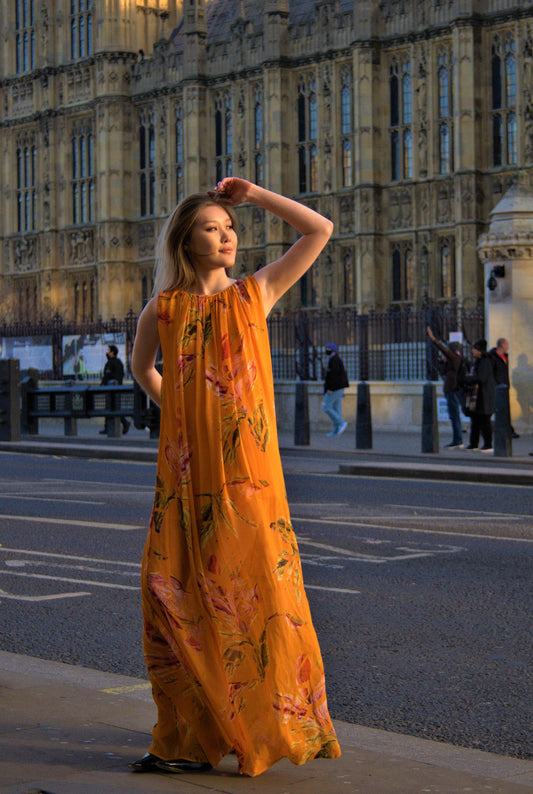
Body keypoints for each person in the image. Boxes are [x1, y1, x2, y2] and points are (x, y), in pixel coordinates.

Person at [130, 177, 341, 777]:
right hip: (184, 473)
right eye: (212, 228)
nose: (227, 237)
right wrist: (181, 412)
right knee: (169, 594)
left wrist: (255, 196)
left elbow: (319, 230)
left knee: (252, 597)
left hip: (247, 478)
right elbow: (144, 369)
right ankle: (188, 737)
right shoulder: (164, 309)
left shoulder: (256, 293)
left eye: (231, 228)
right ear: (185, 241)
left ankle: (263, 727)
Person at [426, 326, 466, 448]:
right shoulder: (452, 360)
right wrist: (442, 361)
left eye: (448, 348)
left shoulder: (455, 358)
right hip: (449, 388)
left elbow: (444, 350)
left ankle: (458, 440)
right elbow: (443, 371)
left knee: (454, 415)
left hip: (452, 389)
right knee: (453, 415)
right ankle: (457, 439)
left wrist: (434, 339)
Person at [464, 338, 495, 452]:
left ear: (479, 350)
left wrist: (468, 379)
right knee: (475, 420)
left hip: (484, 395)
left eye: (474, 349)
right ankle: (473, 443)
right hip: (477, 396)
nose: (472, 351)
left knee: (485, 420)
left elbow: (481, 378)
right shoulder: (478, 361)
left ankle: (488, 444)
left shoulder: (485, 361)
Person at [489, 337, 519, 438]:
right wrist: (496, 384)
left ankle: (509, 430)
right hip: (497, 387)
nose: (508, 347)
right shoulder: (492, 357)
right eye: (507, 345)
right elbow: (491, 373)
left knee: (504, 409)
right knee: (494, 410)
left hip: (505, 387)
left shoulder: (505, 356)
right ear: (502, 345)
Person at [99, 344, 130, 435]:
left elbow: (107, 376)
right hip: (118, 388)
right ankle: (120, 424)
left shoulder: (110, 363)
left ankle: (117, 425)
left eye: (108, 351)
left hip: (110, 388)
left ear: (112, 352)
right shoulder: (119, 362)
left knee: (110, 407)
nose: (107, 353)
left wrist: (102, 385)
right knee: (115, 407)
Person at [321, 343, 349, 436]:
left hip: (334, 389)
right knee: (337, 409)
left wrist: (330, 388)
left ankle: (341, 423)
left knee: (326, 406)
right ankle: (337, 430)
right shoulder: (335, 359)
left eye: (328, 348)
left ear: (333, 349)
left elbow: (334, 375)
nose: (327, 349)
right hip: (339, 388)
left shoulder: (334, 360)